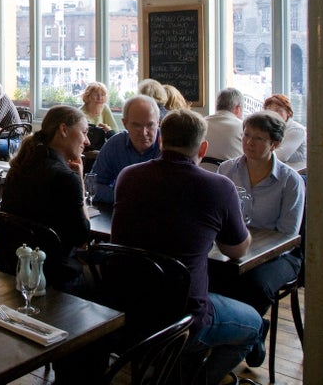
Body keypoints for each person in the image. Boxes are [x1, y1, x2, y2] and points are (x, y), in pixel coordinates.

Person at [111, 108, 261, 385]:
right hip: (184, 318)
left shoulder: (128, 176)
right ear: (203, 148)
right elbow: (236, 250)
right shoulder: (219, 186)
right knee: (254, 324)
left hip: (129, 308)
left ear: (160, 140)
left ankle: (174, 371)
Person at [216, 111, 305, 367]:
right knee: (210, 273)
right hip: (236, 246)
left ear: (274, 144)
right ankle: (232, 332)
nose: (249, 142)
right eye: (246, 135)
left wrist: (252, 251)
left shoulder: (290, 180)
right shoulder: (227, 169)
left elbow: (288, 234)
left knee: (255, 284)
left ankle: (250, 332)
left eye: (258, 138)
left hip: (280, 254)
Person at [1, 105, 91, 292]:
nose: (87, 141)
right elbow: (82, 239)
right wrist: (80, 180)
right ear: (63, 130)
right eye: (84, 132)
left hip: (14, 266)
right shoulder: (66, 178)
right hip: (52, 275)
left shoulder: (19, 167)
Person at [90, 95, 160, 204]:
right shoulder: (115, 145)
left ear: (158, 122)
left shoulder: (170, 146)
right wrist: (126, 197)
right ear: (125, 123)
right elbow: (93, 185)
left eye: (150, 125)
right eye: (137, 125)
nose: (144, 133)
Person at [262, 93, 306, 166]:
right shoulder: (269, 128)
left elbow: (281, 156)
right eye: (270, 111)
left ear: (288, 112)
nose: (274, 115)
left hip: (297, 171)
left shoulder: (297, 130)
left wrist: (258, 155)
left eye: (278, 110)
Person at [205, 87, 244, 162]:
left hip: (199, 169)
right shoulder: (243, 128)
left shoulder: (200, 124)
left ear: (217, 105)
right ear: (238, 108)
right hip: (230, 169)